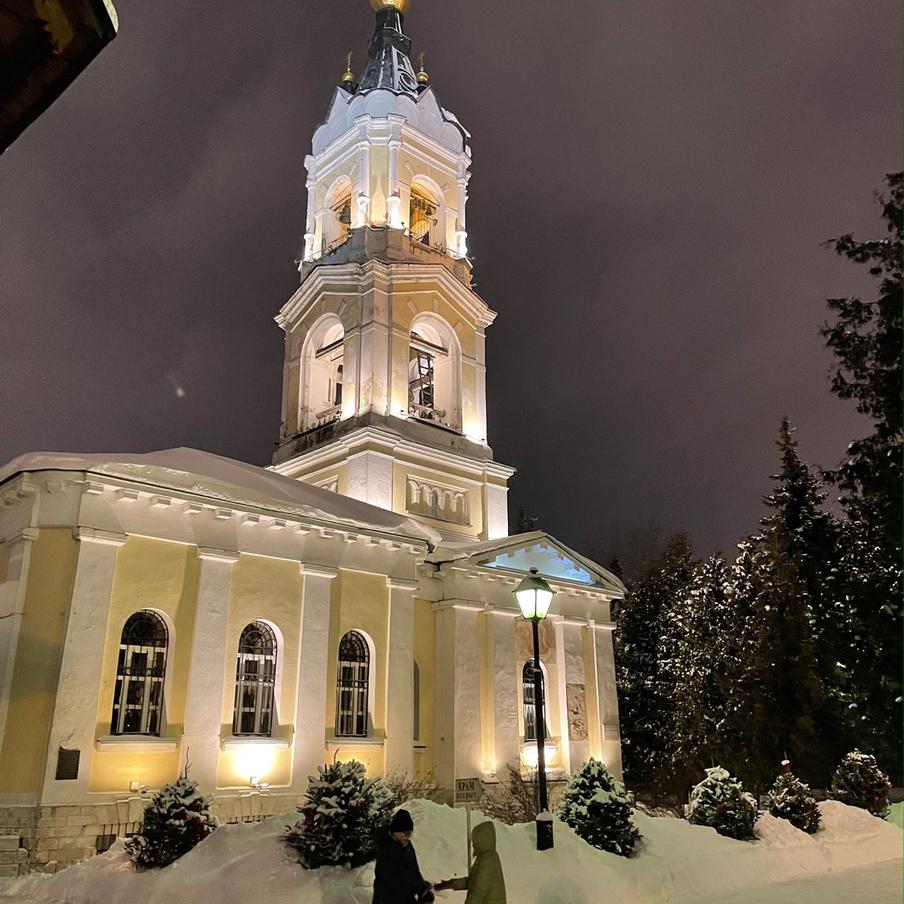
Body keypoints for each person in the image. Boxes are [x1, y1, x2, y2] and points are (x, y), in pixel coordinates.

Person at [435, 821, 507, 904]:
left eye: (475, 841)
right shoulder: (486, 857)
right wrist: (450, 884)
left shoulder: (488, 860)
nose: (473, 845)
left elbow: (479, 890)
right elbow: (472, 881)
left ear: (482, 840)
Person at [373, 808, 435, 904]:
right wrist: (414, 888)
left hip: (405, 896)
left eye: (410, 833)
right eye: (405, 833)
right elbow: (390, 876)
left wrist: (422, 888)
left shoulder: (406, 845)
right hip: (387, 897)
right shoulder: (385, 846)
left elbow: (414, 869)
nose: (408, 836)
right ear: (396, 831)